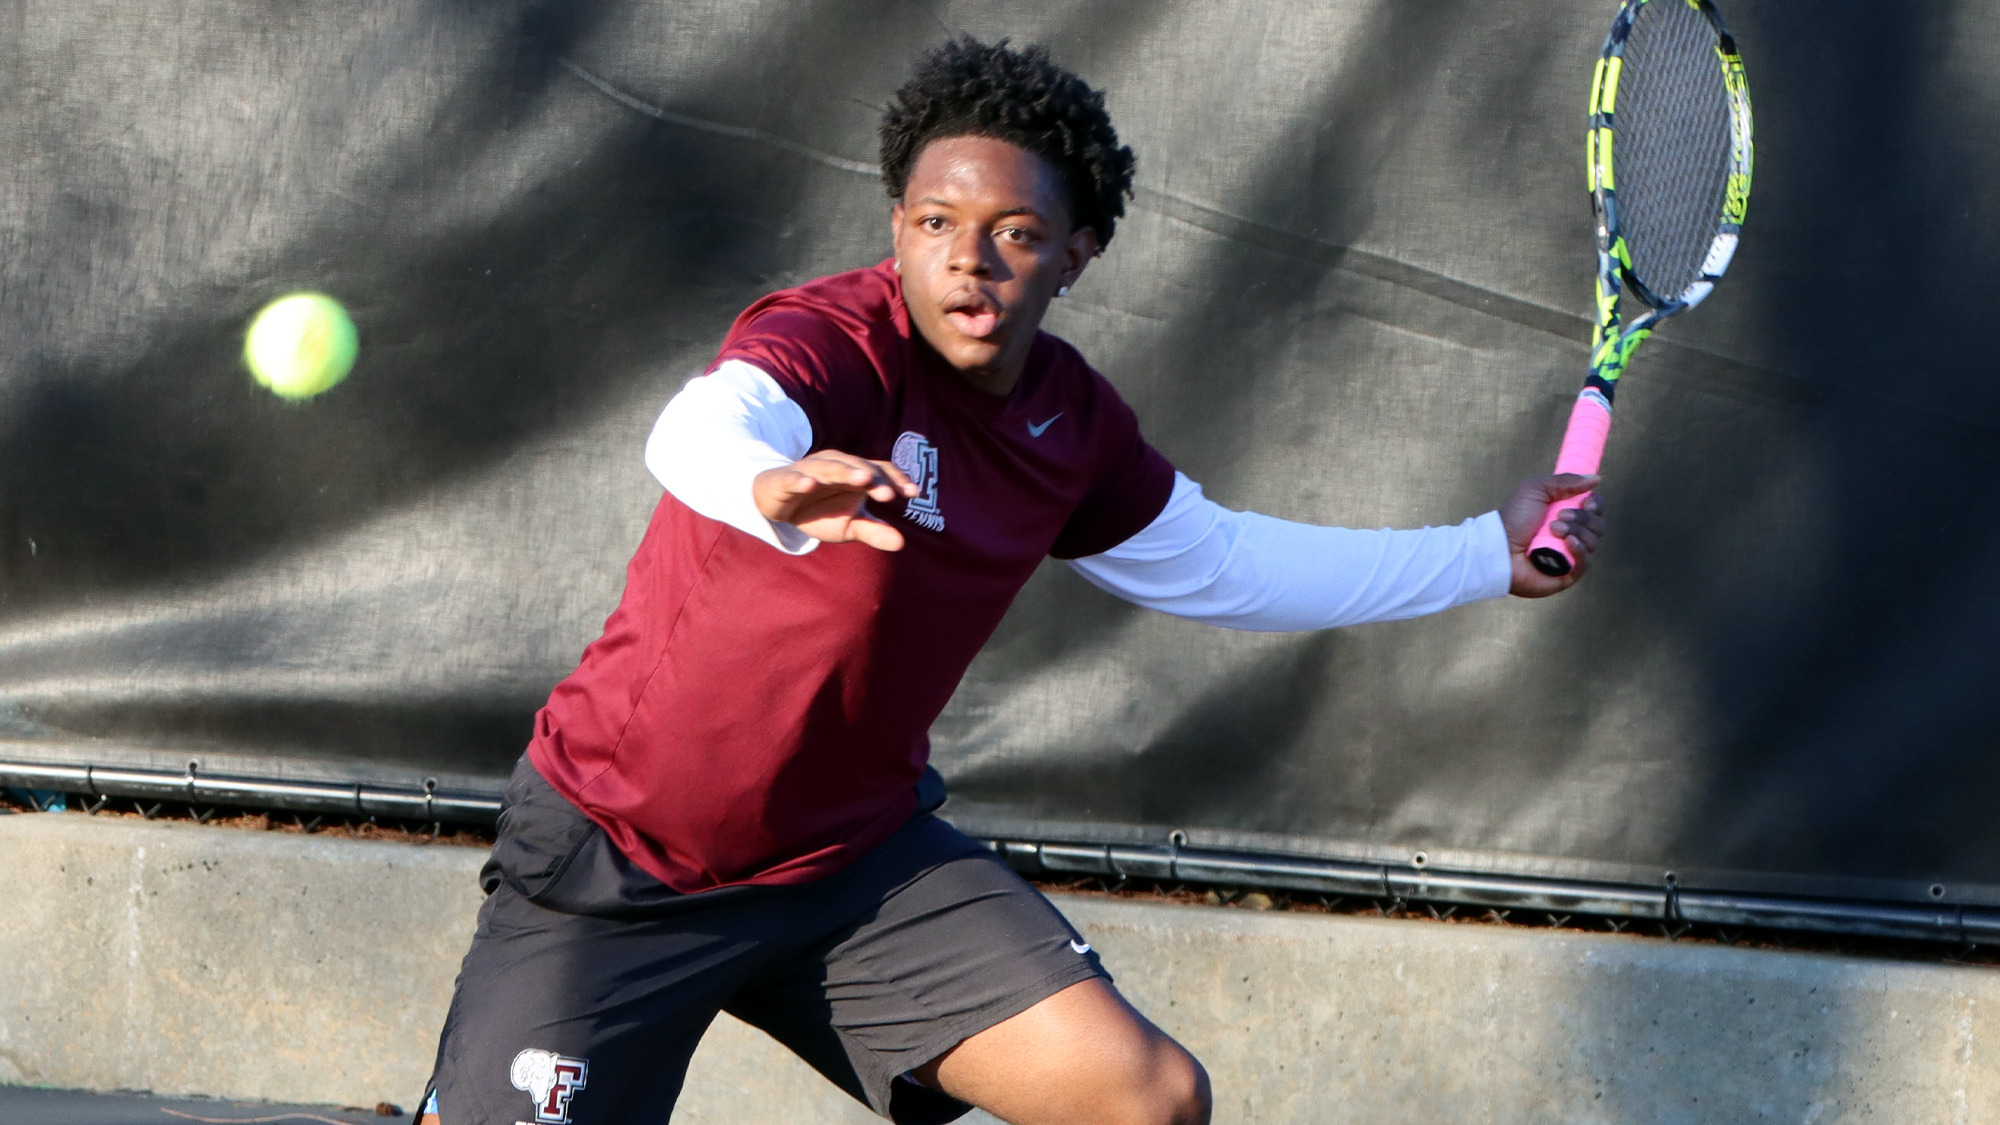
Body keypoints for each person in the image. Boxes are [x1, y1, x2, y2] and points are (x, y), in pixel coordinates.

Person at [419, 37, 1603, 1125]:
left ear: (1077, 255)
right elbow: (700, 426)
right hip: (621, 860)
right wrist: (765, 488)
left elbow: (1221, 564)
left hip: (848, 870)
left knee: (1145, 1099)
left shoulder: (1067, 425)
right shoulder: (829, 340)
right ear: (896, 230)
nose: (968, 261)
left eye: (1016, 233)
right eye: (935, 221)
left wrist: (1478, 556)